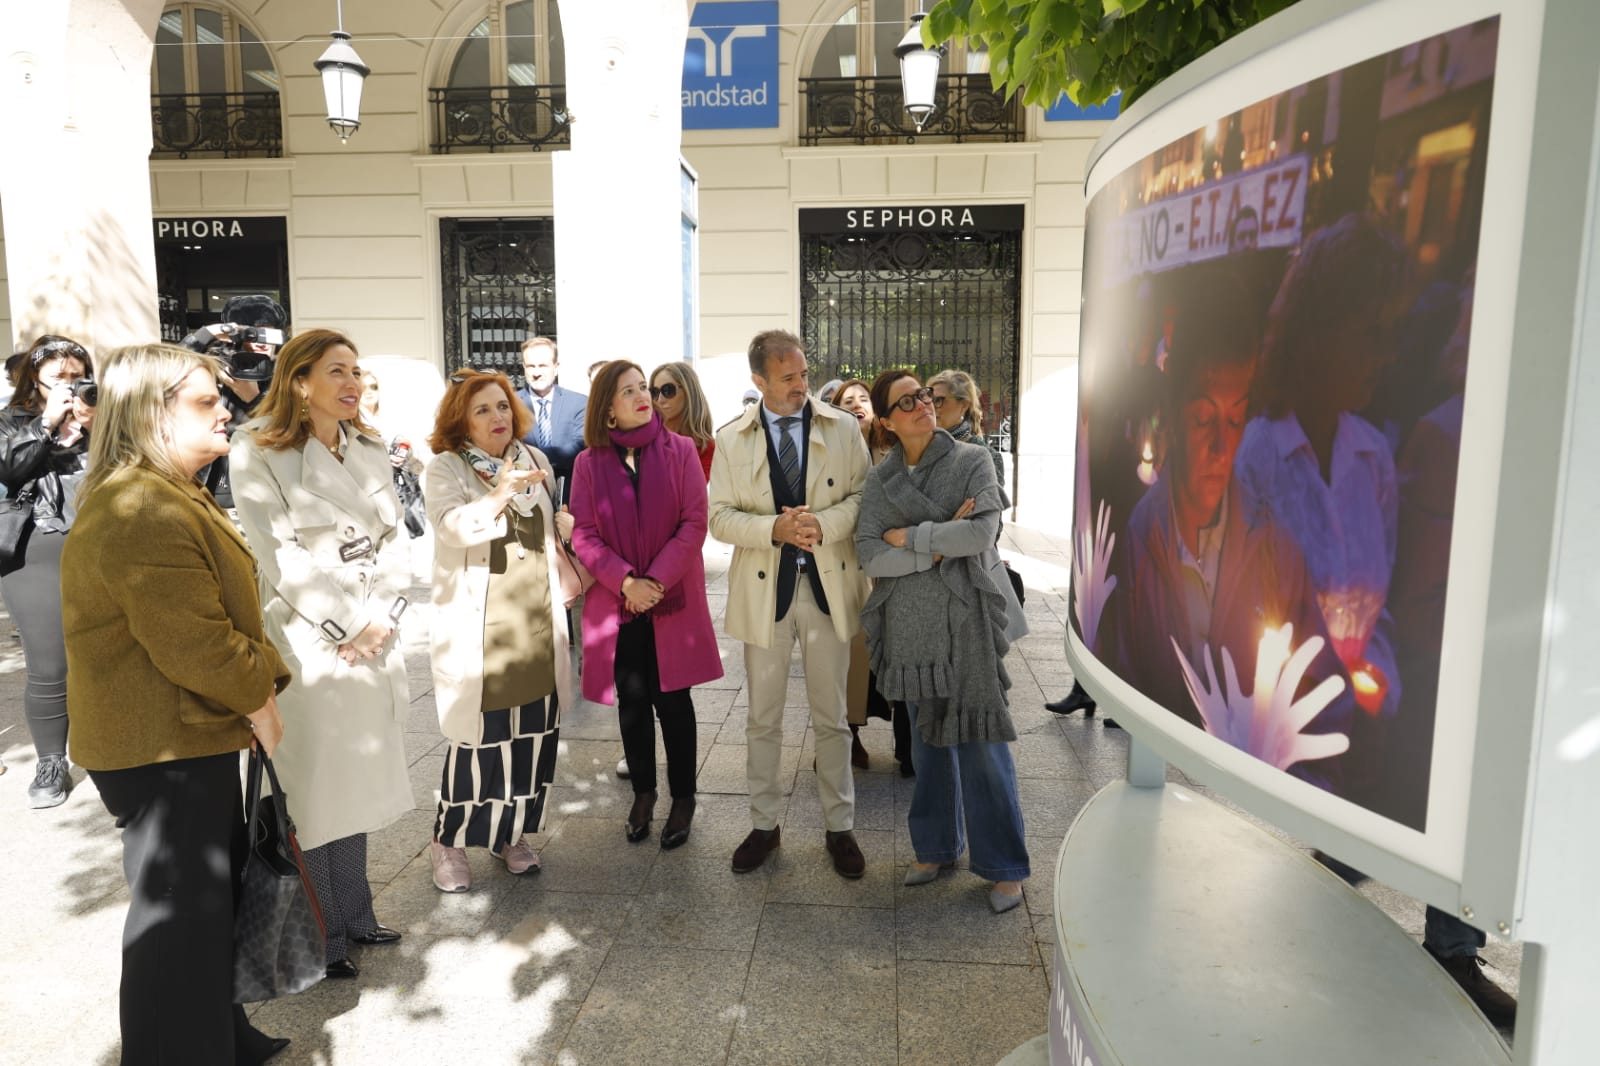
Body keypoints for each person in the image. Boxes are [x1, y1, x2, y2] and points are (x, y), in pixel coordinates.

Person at [64, 342, 292, 1065]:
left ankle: (222, 1039)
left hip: (183, 736)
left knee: (203, 913)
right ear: (148, 414)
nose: (226, 408)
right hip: (160, 749)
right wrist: (261, 695)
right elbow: (198, 645)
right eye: (204, 400)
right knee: (176, 929)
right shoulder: (139, 507)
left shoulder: (164, 491)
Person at [230, 328, 412, 981]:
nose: (352, 382)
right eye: (337, 370)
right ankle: (324, 929)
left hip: (373, 638)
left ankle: (357, 912)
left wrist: (383, 617)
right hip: (310, 645)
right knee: (315, 796)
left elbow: (397, 536)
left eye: (356, 370)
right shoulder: (256, 450)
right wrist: (349, 624)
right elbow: (280, 556)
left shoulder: (366, 446)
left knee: (356, 786)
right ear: (299, 380)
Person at [855, 370, 1029, 913]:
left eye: (924, 395)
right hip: (909, 625)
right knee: (927, 745)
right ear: (885, 421)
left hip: (966, 619)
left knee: (981, 740)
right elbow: (868, 552)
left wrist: (911, 536)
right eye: (905, 402)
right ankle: (934, 847)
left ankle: (1004, 865)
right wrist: (937, 544)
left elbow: (980, 533)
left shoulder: (972, 459)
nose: (921, 404)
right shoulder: (881, 480)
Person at [709, 330, 871, 878]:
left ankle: (840, 828)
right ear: (758, 382)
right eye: (788, 378)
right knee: (763, 718)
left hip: (829, 586)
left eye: (804, 374)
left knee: (833, 718)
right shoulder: (732, 439)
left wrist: (821, 525)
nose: (802, 385)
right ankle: (763, 825)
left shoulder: (843, 428)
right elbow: (719, 517)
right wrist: (773, 529)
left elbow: (863, 498)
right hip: (765, 591)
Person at [423, 370, 573, 891]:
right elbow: (449, 528)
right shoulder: (447, 466)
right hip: (481, 626)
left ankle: (512, 833)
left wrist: (563, 524)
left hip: (534, 621)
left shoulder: (534, 460)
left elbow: (545, 528)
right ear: (461, 419)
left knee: (533, 735)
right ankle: (448, 841)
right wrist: (497, 496)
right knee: (479, 743)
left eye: (503, 407)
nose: (497, 418)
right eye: (482, 409)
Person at [572, 361, 722, 847]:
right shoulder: (588, 462)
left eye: (644, 388)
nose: (643, 396)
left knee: (674, 701)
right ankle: (643, 793)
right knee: (632, 702)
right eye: (629, 390)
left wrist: (652, 581)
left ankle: (683, 797)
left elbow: (693, 524)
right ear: (607, 409)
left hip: (670, 597)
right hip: (619, 604)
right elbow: (585, 533)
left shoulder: (680, 450)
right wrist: (625, 582)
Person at [0, 334, 94, 808]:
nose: (70, 386)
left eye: (78, 377)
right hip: (36, 548)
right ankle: (51, 761)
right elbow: (10, 470)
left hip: (100, 542)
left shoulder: (99, 415)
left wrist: (99, 428)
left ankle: (115, 751)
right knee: (50, 665)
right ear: (33, 378)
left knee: (110, 656)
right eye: (59, 377)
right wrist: (47, 425)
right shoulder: (10, 421)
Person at [830, 376, 904, 773]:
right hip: (848, 568)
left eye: (863, 399)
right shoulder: (830, 450)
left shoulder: (890, 450)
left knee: (893, 657)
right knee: (852, 659)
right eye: (847, 400)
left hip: (890, 570)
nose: (856, 404)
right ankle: (848, 737)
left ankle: (905, 743)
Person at [516, 336, 586, 502]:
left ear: (556, 367)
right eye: (531, 366)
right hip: (524, 495)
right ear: (524, 367)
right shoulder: (510, 405)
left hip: (571, 493)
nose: (536, 373)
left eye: (542, 366)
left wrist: (534, 458)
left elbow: (580, 446)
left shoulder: (579, 403)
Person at [360, 370, 427, 539]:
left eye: (373, 387)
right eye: (363, 387)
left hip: (400, 487)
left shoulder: (391, 417)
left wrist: (406, 451)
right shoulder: (355, 422)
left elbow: (417, 460)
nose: (368, 392)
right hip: (373, 492)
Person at [649, 361, 716, 481]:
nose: (660, 400)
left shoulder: (707, 448)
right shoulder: (644, 440)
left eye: (668, 390)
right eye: (654, 392)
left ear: (688, 391)